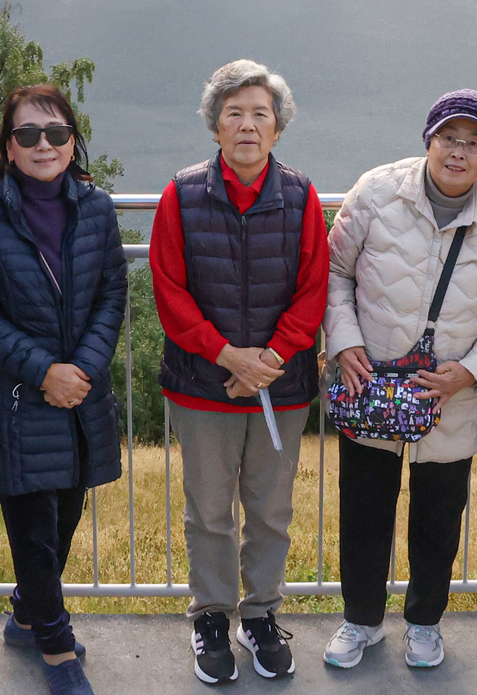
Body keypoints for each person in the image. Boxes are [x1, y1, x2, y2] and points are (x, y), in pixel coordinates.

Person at [320, 90, 477, 672]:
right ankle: (360, 619)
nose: (458, 152)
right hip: (371, 384)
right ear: (428, 139)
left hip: (451, 395)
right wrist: (345, 341)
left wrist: (472, 372)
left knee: (438, 515)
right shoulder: (377, 191)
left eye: (474, 142)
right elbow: (334, 272)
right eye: (448, 138)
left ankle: (424, 622)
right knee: (364, 508)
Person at [148, 59, 329, 684]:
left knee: (271, 510)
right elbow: (170, 292)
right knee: (209, 513)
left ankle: (260, 615)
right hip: (203, 386)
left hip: (282, 385)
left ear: (277, 130)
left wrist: (270, 359)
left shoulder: (303, 196)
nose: (247, 126)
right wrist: (229, 357)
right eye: (235, 114)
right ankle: (211, 618)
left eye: (260, 115)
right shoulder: (180, 193)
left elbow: (313, 289)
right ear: (215, 127)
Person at [0, 84, 127, 695]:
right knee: (33, 527)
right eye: (27, 135)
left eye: (55, 133)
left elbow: (112, 294)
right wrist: (44, 371)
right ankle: (55, 648)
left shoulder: (96, 206)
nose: (43, 145)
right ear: (7, 146)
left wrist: (81, 367)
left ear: (74, 141)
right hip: (23, 397)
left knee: (67, 516)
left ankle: (28, 614)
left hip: (82, 393)